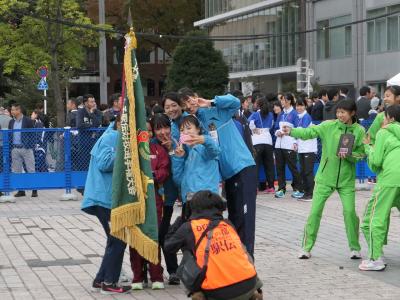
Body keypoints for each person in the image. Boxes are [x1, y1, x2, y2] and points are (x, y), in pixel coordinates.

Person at [282, 100, 365, 260]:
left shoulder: (359, 130)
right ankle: (306, 247)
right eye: (338, 112)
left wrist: (350, 156)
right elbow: (309, 133)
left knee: (350, 213)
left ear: (352, 113)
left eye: (344, 112)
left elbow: (361, 153)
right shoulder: (328, 126)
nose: (340, 115)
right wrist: (292, 131)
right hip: (325, 178)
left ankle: (354, 248)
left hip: (346, 181)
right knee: (315, 212)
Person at [179, 89, 257, 257]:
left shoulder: (215, 110)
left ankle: (248, 261)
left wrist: (210, 101)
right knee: (234, 219)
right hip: (226, 175)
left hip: (242, 166)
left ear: (195, 96)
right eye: (184, 103)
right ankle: (238, 261)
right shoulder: (192, 122)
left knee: (245, 219)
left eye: (190, 99)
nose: (189, 104)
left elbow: (235, 102)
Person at [164, 191, 263, 300]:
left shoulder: (189, 227)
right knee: (240, 250)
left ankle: (199, 295)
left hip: (218, 292)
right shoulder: (227, 224)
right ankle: (253, 294)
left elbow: (168, 247)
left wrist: (180, 220)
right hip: (249, 283)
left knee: (188, 254)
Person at [81, 117, 131, 295]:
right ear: (120, 124)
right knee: (118, 240)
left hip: (107, 198)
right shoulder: (112, 137)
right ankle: (109, 282)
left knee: (115, 240)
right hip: (104, 199)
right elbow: (104, 163)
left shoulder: (114, 136)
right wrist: (126, 150)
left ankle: (101, 278)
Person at [359, 105, 400, 271]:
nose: (382, 120)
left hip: (389, 179)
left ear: (390, 118)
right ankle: (377, 253)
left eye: (384, 117)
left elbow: (376, 162)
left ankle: (376, 258)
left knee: (372, 219)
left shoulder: (384, 132)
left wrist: (368, 147)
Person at [130, 118, 167, 290]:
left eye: (149, 131)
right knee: (136, 238)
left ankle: (156, 276)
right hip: (135, 200)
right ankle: (137, 276)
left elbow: (163, 171)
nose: (147, 134)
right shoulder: (130, 152)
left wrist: (150, 176)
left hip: (154, 200)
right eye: (143, 131)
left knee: (153, 236)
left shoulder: (158, 149)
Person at [149, 113, 180, 285]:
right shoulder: (150, 146)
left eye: (165, 127)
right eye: (158, 128)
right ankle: (162, 270)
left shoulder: (177, 142)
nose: (162, 132)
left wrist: (172, 151)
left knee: (165, 234)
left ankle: (172, 270)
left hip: (170, 198)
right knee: (161, 234)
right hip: (154, 199)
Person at [171, 115, 220, 213]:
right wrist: (178, 158)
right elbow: (178, 180)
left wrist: (204, 139)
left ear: (198, 129)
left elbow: (215, 151)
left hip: (206, 200)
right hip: (189, 200)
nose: (185, 131)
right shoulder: (189, 154)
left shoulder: (203, 149)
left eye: (189, 128)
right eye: (181, 130)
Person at [274, 93, 303, 199]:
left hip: (290, 145)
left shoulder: (295, 114)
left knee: (293, 168)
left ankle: (299, 188)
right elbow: (276, 127)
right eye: (281, 100)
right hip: (279, 145)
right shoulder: (281, 114)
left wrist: (296, 143)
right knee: (279, 168)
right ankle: (281, 189)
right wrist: (277, 132)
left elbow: (299, 130)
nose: (281, 102)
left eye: (284, 100)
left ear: (289, 101)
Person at [9, 103, 37, 198]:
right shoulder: (11, 122)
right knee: (17, 171)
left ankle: (34, 190)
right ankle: (21, 191)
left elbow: (33, 134)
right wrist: (11, 147)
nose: (12, 112)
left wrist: (29, 145)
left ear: (18, 110)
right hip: (15, 149)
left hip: (26, 148)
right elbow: (10, 134)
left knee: (31, 169)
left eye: (13, 110)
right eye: (11, 110)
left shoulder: (28, 121)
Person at [248, 96, 275, 194]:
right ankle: (271, 186)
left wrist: (254, 129)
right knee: (269, 165)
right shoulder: (271, 114)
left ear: (258, 104)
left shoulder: (255, 114)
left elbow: (249, 124)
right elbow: (271, 125)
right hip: (268, 140)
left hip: (257, 140)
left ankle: (255, 187)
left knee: (256, 165)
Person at [295, 99, 317, 201]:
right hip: (302, 148)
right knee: (303, 171)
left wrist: (293, 131)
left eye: (301, 105)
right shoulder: (299, 117)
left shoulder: (306, 116)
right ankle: (306, 192)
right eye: (297, 106)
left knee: (308, 171)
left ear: (305, 106)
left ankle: (310, 194)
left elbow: (302, 130)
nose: (299, 108)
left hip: (309, 148)